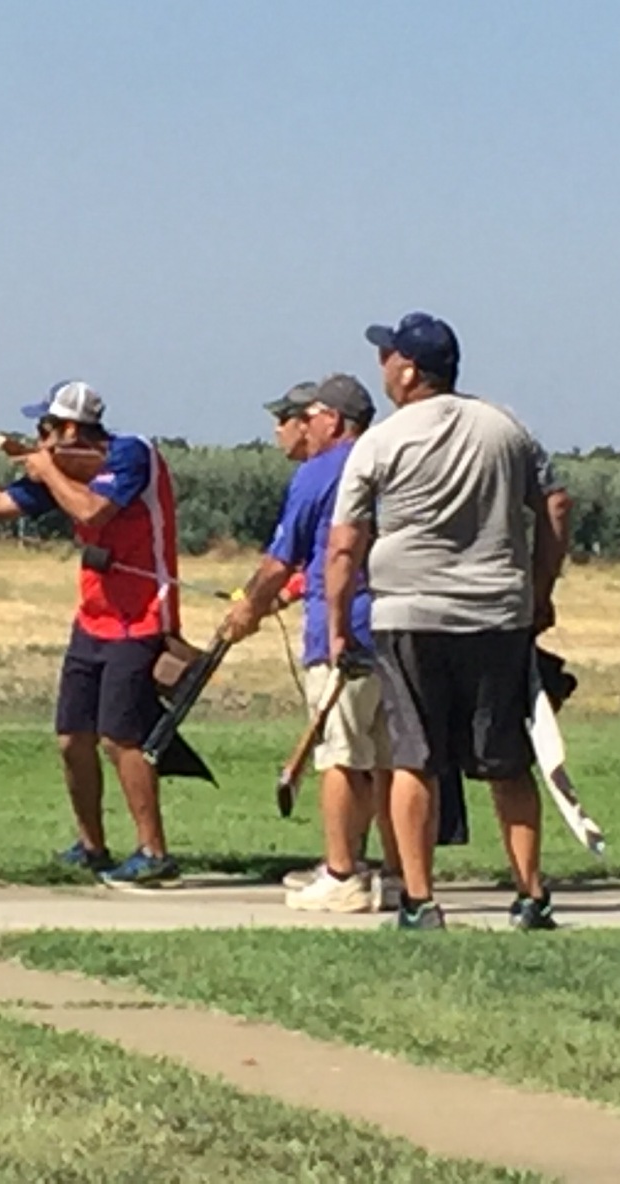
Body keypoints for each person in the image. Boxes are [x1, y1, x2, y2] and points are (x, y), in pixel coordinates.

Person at [327, 312, 571, 931]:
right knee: (507, 758)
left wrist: (337, 622)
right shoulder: (505, 427)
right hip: (496, 612)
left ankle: (419, 898)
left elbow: (345, 543)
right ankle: (531, 893)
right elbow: (556, 503)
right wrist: (540, 588)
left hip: (408, 613)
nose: (382, 367)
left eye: (388, 357)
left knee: (416, 756)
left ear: (409, 371)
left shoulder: (380, 441)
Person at [0, 380, 184, 889]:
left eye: (45, 428)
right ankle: (92, 846)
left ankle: (153, 852)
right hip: (93, 617)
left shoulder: (131, 453)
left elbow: (92, 510)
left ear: (69, 429)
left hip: (141, 617)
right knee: (72, 737)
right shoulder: (64, 469)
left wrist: (47, 468)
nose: (39, 436)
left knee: (121, 738)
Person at [221, 374, 403, 913]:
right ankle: (399, 875)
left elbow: (282, 559)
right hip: (400, 629)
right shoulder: (394, 463)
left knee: (339, 755)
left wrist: (248, 606)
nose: (304, 425)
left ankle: (342, 873)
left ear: (333, 420)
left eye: (312, 415)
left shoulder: (320, 472)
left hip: (343, 631)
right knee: (395, 760)